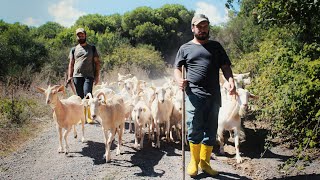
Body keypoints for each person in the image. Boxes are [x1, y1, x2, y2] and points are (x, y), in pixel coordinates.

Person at [174, 14, 236, 177]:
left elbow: (226, 67)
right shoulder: (185, 48)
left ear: (208, 27)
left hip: (214, 95)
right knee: (194, 128)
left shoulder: (216, 46)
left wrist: (230, 80)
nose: (202, 29)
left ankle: (205, 163)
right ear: (193, 28)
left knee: (211, 130)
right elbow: (177, 68)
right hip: (194, 95)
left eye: (205, 26)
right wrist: (179, 80)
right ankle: (194, 161)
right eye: (199, 26)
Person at [67, 28, 101, 124]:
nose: (80, 36)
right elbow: (71, 63)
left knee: (88, 95)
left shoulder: (92, 48)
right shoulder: (73, 50)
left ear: (85, 35)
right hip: (77, 76)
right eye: (78, 35)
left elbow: (97, 63)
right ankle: (82, 117)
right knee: (80, 97)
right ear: (76, 37)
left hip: (89, 75)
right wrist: (69, 76)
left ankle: (90, 117)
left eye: (82, 35)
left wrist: (97, 76)